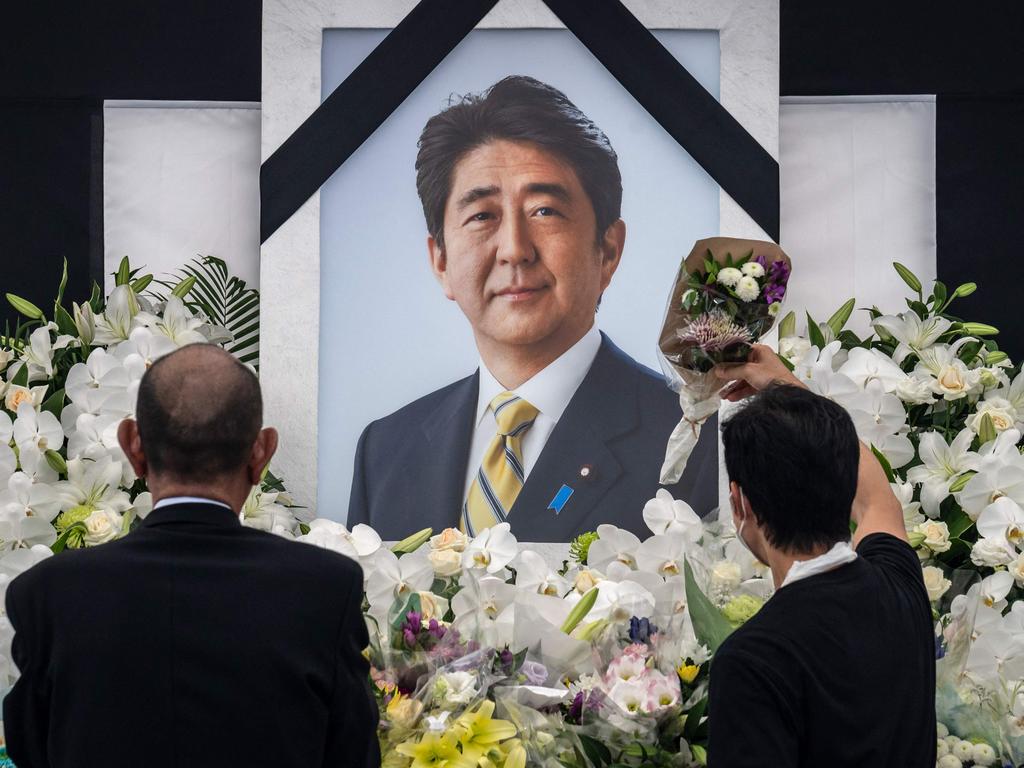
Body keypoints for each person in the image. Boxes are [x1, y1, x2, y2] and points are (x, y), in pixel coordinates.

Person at [348, 75, 718, 541]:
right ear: (440, 260)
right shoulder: (385, 450)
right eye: (482, 216)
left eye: (544, 211)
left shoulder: (698, 442)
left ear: (608, 249)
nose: (514, 250)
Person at [3, 345, 379, 768]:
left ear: (132, 446)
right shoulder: (325, 589)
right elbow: (355, 755)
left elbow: (29, 750)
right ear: (262, 453)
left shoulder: (45, 594)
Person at [706, 345, 936, 767]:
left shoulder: (753, 660)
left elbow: (870, 496)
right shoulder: (899, 586)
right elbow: (876, 499)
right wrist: (784, 385)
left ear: (741, 503)